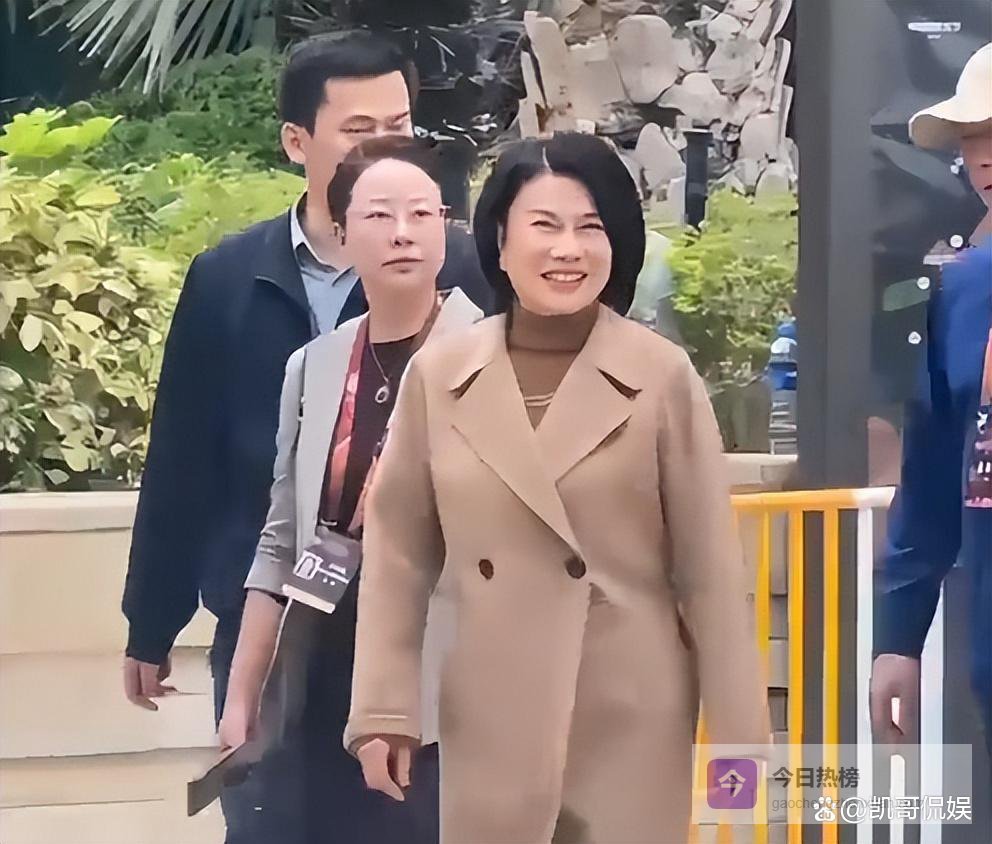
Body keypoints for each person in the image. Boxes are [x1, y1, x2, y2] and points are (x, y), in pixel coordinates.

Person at [344, 132, 770, 843]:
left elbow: (710, 576)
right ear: (500, 241)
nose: (567, 249)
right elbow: (399, 556)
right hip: (491, 712)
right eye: (544, 225)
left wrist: (742, 750)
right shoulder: (439, 376)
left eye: (589, 227)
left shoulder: (661, 376)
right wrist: (385, 710)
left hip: (627, 718)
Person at [119, 31, 491, 841]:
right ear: (297, 141)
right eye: (359, 130)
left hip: (429, 632)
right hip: (275, 613)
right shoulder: (228, 278)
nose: (385, 146)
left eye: (399, 126)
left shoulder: (462, 272)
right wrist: (152, 617)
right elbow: (182, 456)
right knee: (271, 821)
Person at [216, 135, 479, 842]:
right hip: (323, 665)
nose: (403, 233)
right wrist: (243, 694)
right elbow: (282, 539)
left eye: (422, 213)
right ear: (340, 231)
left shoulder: (490, 358)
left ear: (446, 226)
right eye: (379, 215)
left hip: (443, 682)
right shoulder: (315, 364)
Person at [871, 43, 992, 755]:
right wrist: (898, 637)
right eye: (971, 138)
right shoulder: (964, 291)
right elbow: (935, 473)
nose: (985, 157)